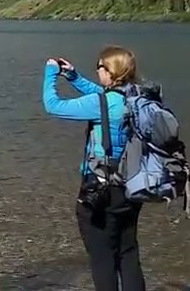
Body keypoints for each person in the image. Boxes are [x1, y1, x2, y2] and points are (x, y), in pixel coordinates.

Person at [42, 45, 146, 291]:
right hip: (132, 186)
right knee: (127, 251)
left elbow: (52, 105)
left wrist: (50, 73)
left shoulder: (103, 103)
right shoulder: (138, 97)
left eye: (99, 67)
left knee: (102, 258)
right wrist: (74, 77)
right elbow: (104, 96)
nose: (97, 71)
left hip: (101, 190)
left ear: (110, 71)